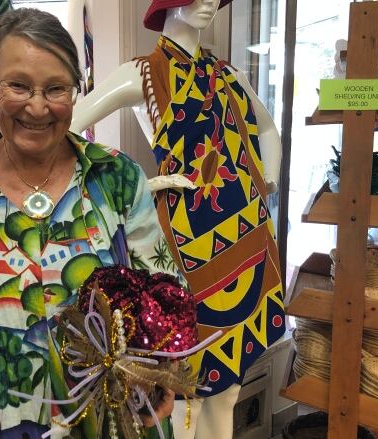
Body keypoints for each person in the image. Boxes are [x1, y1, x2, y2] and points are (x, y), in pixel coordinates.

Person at [0, 8, 179, 438]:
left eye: (56, 88)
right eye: (18, 85)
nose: (37, 106)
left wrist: (160, 363)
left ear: (76, 91)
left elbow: (163, 287)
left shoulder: (115, 179)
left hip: (107, 417)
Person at [69, 1, 286, 438]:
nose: (207, 3)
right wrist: (135, 190)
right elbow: (69, 127)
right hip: (189, 249)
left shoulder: (229, 75)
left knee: (228, 389)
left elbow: (267, 130)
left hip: (249, 237)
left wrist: (266, 183)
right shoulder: (143, 74)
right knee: (191, 384)